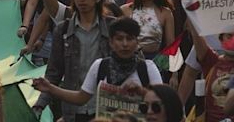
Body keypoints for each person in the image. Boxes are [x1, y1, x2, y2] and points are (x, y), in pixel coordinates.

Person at [33, 18, 162, 113]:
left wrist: (142, 92)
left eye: (129, 39)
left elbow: (162, 100)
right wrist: (50, 88)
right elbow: (81, 98)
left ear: (137, 42)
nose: (125, 44)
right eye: (119, 39)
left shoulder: (147, 68)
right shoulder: (100, 66)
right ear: (111, 42)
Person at [32, 0, 113, 122]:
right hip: (74, 109)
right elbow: (54, 72)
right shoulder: (62, 30)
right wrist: (40, 104)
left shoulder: (112, 27)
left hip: (106, 108)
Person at [186, 14, 234, 122]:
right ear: (221, 39)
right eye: (229, 36)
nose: (233, 41)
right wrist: (188, 5)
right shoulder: (212, 62)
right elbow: (196, 33)